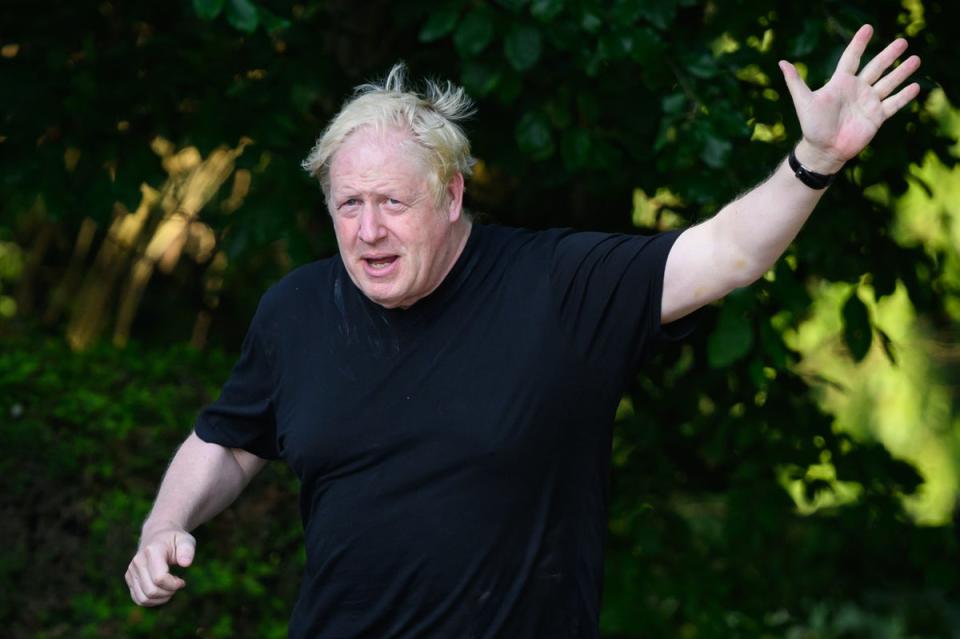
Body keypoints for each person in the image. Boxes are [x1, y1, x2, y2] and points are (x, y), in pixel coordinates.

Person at [125, 24, 921, 638]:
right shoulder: (295, 311)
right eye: (348, 205)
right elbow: (229, 440)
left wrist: (813, 159)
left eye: (392, 203)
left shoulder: (560, 286)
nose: (367, 231)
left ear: (450, 195)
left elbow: (729, 253)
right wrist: (167, 523)